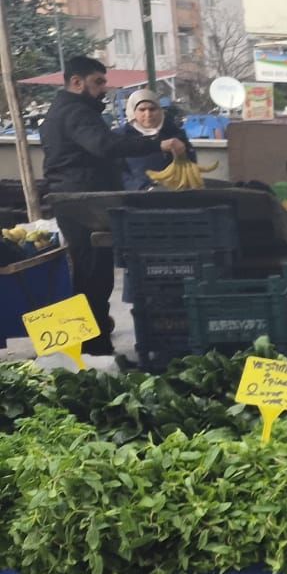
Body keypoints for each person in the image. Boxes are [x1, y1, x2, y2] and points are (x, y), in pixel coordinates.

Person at [40, 56, 190, 353]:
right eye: (98, 82)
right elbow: (104, 145)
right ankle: (92, 350)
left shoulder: (66, 110)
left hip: (77, 200)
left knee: (91, 276)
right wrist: (157, 143)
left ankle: (92, 346)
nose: (104, 88)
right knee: (93, 277)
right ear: (76, 82)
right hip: (81, 203)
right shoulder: (75, 112)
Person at [119, 89, 186, 191]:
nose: (148, 114)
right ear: (133, 112)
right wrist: (143, 188)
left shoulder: (174, 133)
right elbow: (119, 173)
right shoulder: (122, 137)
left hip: (173, 192)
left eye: (152, 109)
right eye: (142, 110)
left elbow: (190, 164)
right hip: (135, 196)